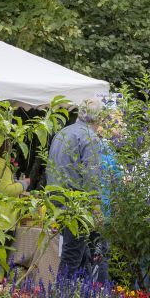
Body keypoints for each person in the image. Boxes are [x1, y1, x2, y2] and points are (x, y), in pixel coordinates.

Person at [46, 103, 106, 281]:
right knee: (72, 255)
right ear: (98, 119)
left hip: (56, 199)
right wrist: (96, 207)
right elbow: (91, 176)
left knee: (80, 253)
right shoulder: (90, 137)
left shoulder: (62, 133)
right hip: (76, 203)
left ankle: (83, 297)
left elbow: (51, 167)